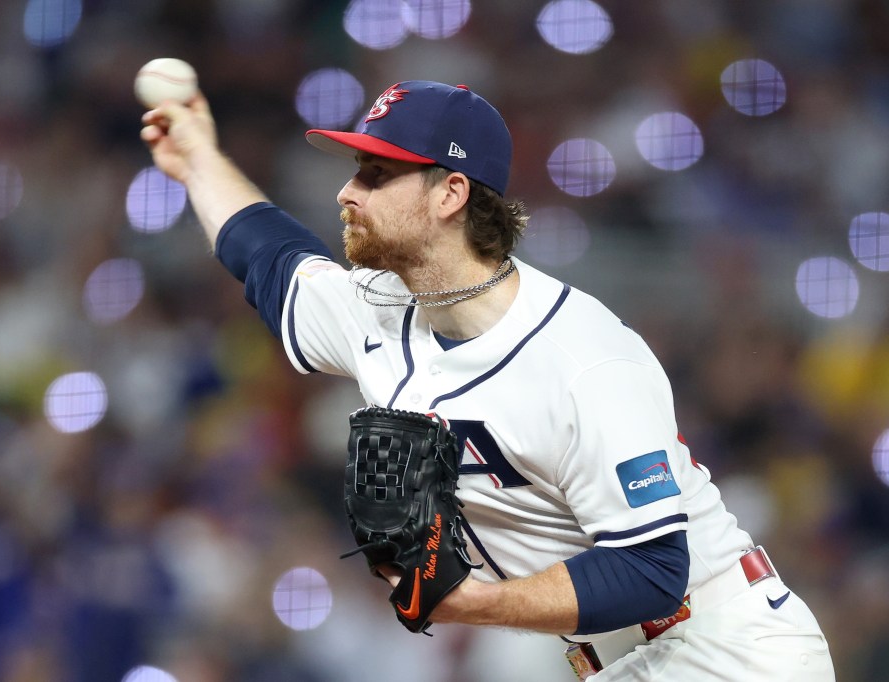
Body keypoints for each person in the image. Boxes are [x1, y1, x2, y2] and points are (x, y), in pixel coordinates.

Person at [140, 80, 836, 680]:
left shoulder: (584, 358)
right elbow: (269, 256)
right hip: (616, 659)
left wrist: (467, 602)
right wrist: (198, 159)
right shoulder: (377, 312)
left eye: (377, 174)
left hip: (729, 647)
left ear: (451, 192)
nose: (347, 191)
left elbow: (653, 569)